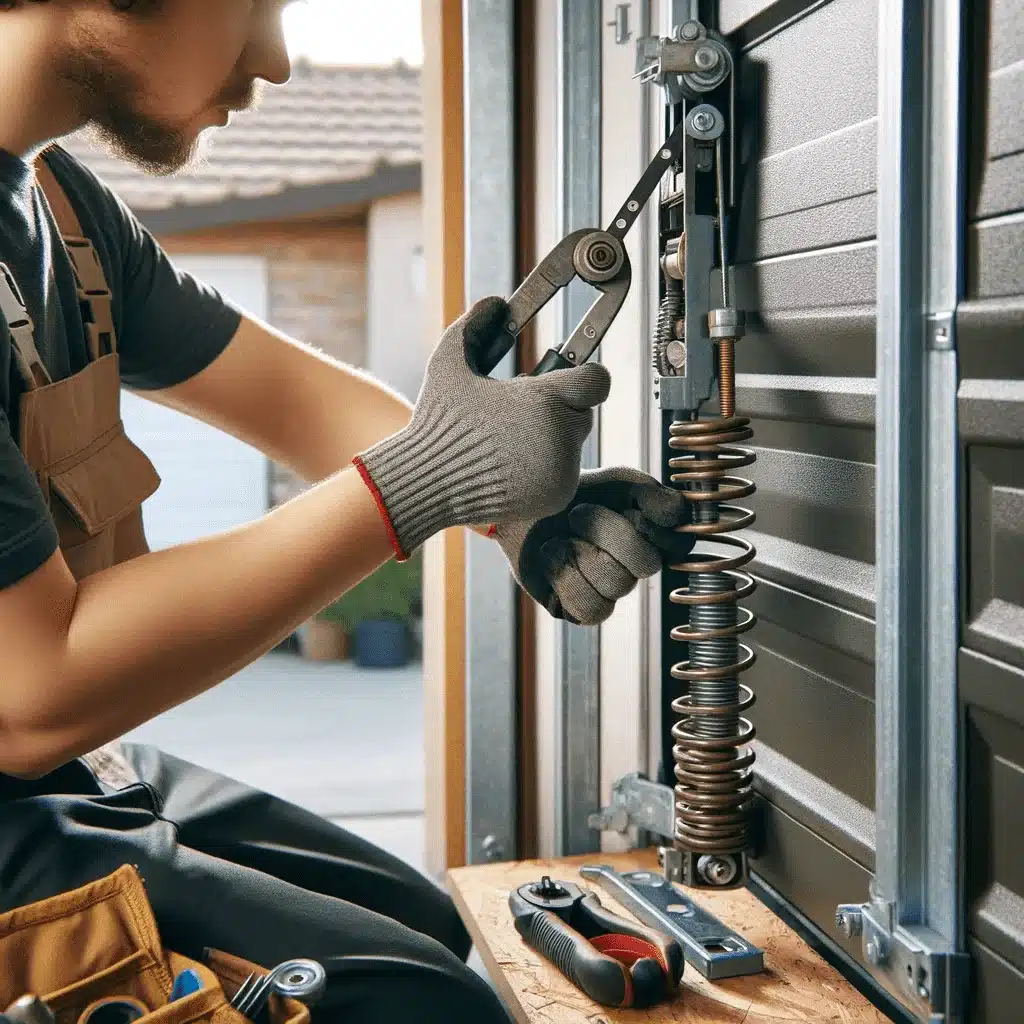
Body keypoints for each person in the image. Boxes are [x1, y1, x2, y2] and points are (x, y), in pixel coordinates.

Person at [0, 2, 695, 1022]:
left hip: (63, 775)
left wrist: (510, 512)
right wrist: (430, 476)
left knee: (421, 917)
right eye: (254, 7)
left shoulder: (59, 210)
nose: (274, 60)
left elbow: (294, 399)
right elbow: (32, 695)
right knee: (426, 1006)